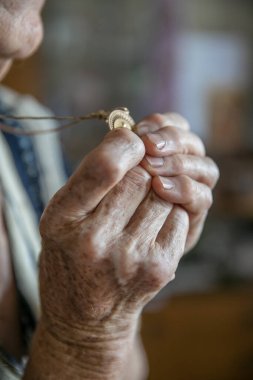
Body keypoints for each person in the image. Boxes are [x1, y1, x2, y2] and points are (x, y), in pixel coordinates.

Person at [0, 1, 219, 379]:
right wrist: (83, 340)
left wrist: (115, 311)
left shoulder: (28, 136)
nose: (25, 40)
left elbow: (131, 370)